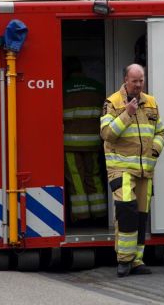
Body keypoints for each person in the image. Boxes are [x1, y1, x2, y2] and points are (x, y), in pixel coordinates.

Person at [100, 63, 164, 277]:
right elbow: (107, 134)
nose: (138, 85)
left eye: (141, 80)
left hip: (145, 170)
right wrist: (127, 114)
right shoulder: (113, 102)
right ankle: (124, 260)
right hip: (121, 169)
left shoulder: (151, 102)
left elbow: (160, 133)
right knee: (126, 211)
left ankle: (137, 260)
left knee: (140, 216)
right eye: (134, 81)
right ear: (125, 80)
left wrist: (153, 154)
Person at [63, 57, 107, 222]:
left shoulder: (64, 88)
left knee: (76, 177)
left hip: (71, 144)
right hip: (94, 142)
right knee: (94, 176)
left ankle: (81, 215)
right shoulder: (97, 86)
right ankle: (100, 213)